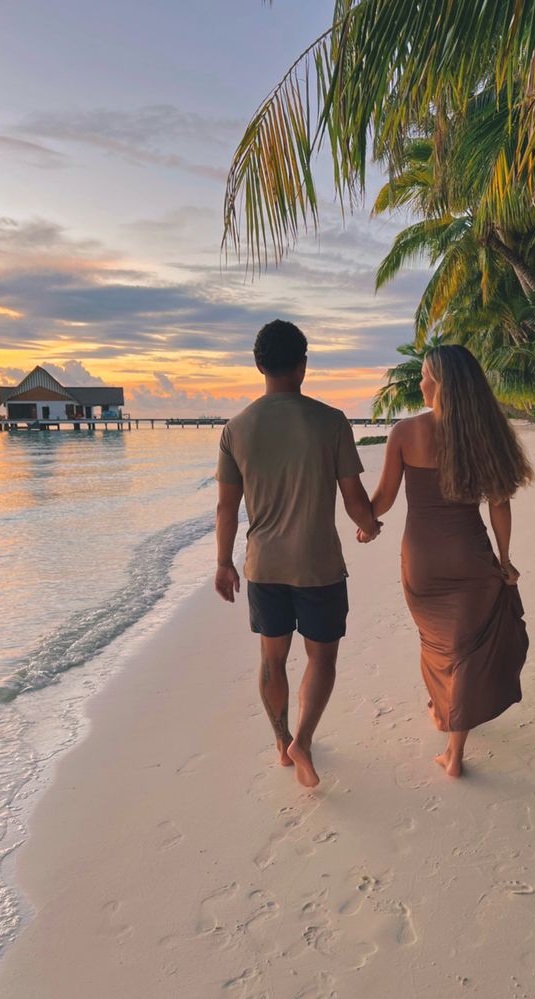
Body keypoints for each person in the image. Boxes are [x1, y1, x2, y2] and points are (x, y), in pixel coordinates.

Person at [215, 320, 381, 788]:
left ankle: (280, 740)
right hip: (318, 564)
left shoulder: (236, 428)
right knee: (321, 659)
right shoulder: (330, 422)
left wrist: (223, 562)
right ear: (303, 365)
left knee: (272, 660)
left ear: (258, 366)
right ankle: (303, 738)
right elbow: (353, 499)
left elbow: (227, 507)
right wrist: (370, 527)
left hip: (263, 565)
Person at [360, 344, 533, 777]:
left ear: (441, 383)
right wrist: (505, 559)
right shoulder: (484, 433)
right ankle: (453, 746)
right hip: (470, 556)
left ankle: (445, 718)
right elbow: (499, 505)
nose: (419, 383)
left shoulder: (404, 433)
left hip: (421, 562)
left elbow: (381, 500)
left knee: (436, 644)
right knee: (468, 649)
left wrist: (364, 520)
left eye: (424, 376)